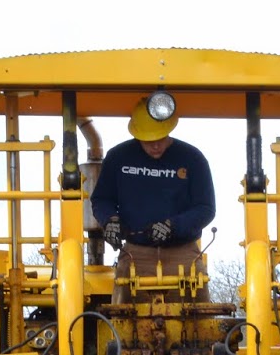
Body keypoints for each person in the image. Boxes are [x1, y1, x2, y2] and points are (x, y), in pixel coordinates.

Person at [90, 96, 216, 302]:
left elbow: (206, 208)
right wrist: (110, 220)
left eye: (160, 138)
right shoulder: (118, 158)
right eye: (148, 140)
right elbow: (102, 199)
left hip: (183, 256)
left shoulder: (193, 158)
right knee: (123, 317)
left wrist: (172, 226)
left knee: (196, 318)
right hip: (134, 255)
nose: (155, 146)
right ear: (137, 135)